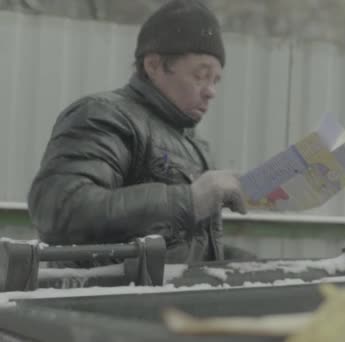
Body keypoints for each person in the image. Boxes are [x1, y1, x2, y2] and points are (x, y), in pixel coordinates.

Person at [27, 0, 253, 266]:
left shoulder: (194, 144)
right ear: (154, 65)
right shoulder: (103, 115)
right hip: (107, 304)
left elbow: (176, 247)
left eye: (216, 80)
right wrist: (190, 200)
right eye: (201, 75)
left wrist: (236, 262)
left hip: (171, 302)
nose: (211, 91)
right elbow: (62, 211)